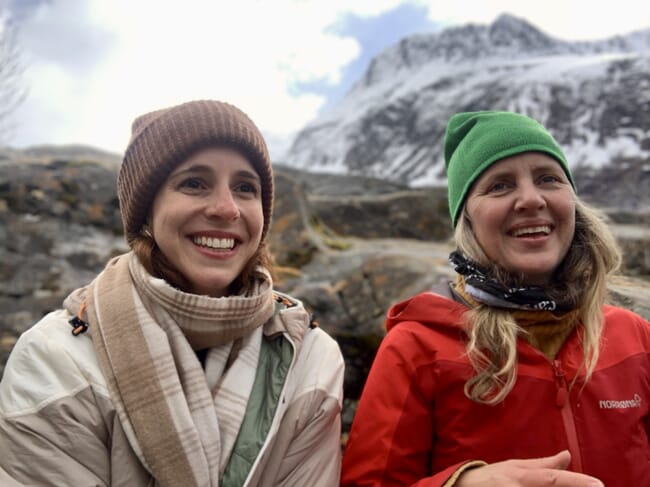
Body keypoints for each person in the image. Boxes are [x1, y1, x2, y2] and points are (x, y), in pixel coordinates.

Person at [0, 100, 345, 486]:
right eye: (194, 183)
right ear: (146, 211)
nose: (226, 208)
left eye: (246, 188)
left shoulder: (309, 358)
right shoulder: (55, 357)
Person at [340, 110, 650, 486]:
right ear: (467, 219)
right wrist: (460, 484)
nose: (531, 199)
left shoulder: (635, 338)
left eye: (548, 178)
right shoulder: (417, 349)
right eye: (500, 186)